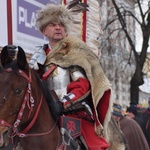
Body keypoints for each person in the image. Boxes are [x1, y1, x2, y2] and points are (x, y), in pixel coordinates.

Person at [6, 3, 113, 150]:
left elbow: (82, 85)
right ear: (44, 30)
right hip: (43, 111)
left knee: (95, 146)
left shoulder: (73, 53)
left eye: (61, 25)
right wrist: (9, 61)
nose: (58, 28)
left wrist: (62, 103)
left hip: (72, 111)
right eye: (53, 24)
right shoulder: (38, 56)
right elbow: (26, 82)